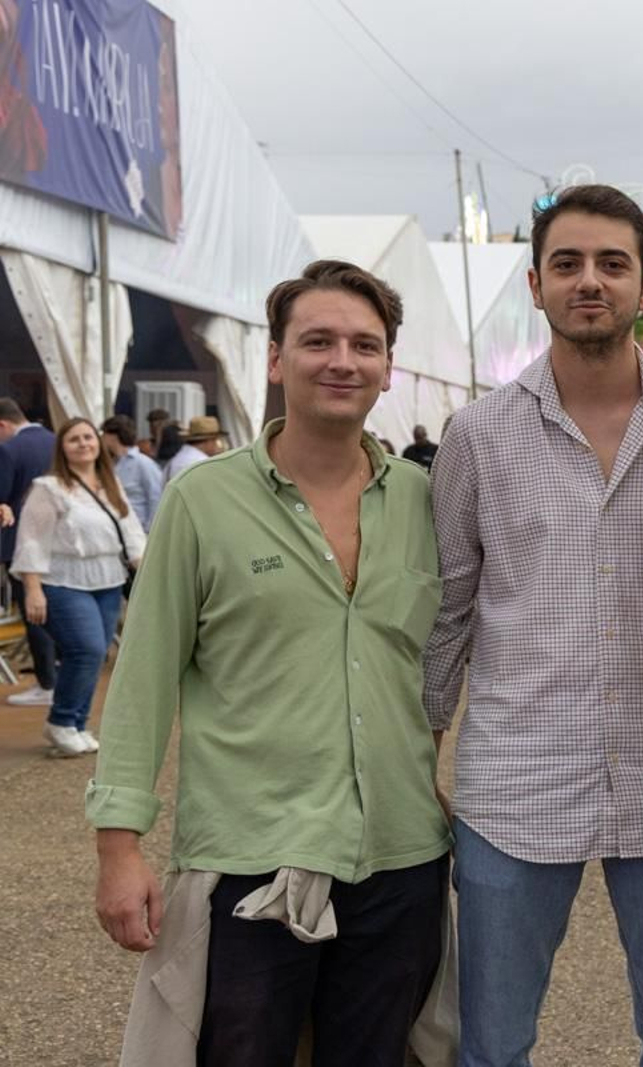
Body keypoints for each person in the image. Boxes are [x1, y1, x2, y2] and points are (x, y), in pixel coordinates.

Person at [88, 260, 452, 1066]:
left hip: (400, 856)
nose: (342, 360)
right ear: (276, 360)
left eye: (365, 344)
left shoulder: (427, 505)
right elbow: (143, 678)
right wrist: (120, 849)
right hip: (254, 860)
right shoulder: (203, 502)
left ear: (389, 369)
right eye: (317, 340)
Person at [425, 184, 643, 1067]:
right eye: (568, 263)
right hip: (514, 783)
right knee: (492, 1044)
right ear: (535, 282)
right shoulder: (475, 436)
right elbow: (449, 607)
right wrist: (418, 745)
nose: (590, 281)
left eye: (612, 264)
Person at [11, 418, 144, 756]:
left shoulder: (109, 482)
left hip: (108, 580)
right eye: (74, 439)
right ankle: (61, 720)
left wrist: (146, 570)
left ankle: (77, 724)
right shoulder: (49, 487)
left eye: (88, 437)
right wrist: (33, 588)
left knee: (96, 653)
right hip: (62, 581)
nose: (83, 443)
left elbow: (130, 532)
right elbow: (31, 541)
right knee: (84, 649)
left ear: (99, 443)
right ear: (62, 448)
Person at [0, 397, 57, 707]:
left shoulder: (9, 449)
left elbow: (2, 498)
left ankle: (46, 681)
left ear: (3, 425)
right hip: (60, 544)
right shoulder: (59, 440)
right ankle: (55, 674)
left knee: (34, 615)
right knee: (54, 612)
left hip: (21, 546)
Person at [100, 415, 166, 531]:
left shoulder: (143, 464)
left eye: (104, 433)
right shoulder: (112, 464)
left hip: (139, 530)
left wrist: (150, 531)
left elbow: (157, 498)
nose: (101, 438)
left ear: (113, 436)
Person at [163, 415, 228, 483]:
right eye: (216, 440)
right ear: (209, 441)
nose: (217, 446)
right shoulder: (202, 463)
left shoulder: (174, 461)